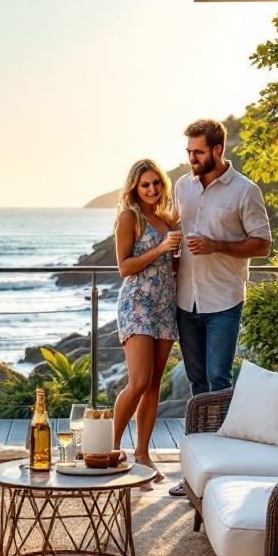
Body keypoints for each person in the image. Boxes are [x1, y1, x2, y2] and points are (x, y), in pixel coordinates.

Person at [169, 119, 271, 495]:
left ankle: (223, 470)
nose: (190, 158)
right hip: (185, 300)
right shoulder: (182, 186)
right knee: (197, 385)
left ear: (216, 150)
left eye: (197, 152)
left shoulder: (245, 191)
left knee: (219, 381)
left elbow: (262, 244)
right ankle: (193, 472)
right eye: (188, 152)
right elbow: (170, 227)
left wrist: (218, 245)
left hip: (224, 300)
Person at [113, 159, 181, 488]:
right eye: (145, 185)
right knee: (138, 381)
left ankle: (141, 455)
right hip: (137, 305)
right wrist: (161, 248)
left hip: (165, 307)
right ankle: (109, 451)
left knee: (154, 384)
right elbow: (124, 267)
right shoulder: (130, 217)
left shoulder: (166, 219)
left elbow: (173, 267)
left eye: (156, 183)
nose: (152, 189)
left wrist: (177, 252)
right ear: (135, 188)